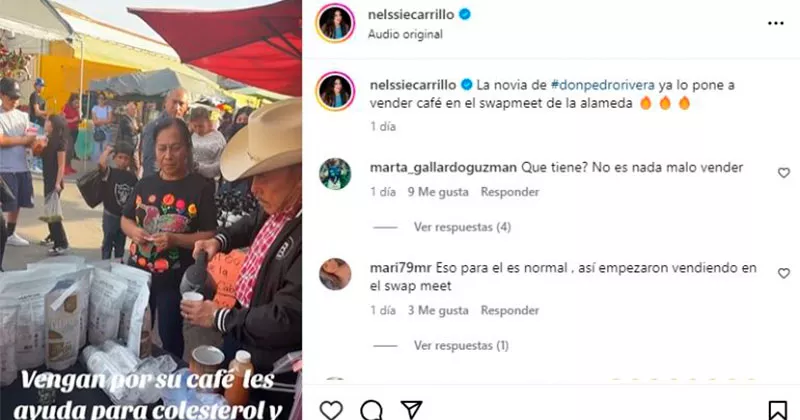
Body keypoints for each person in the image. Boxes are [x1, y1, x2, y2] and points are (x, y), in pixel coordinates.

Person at [182, 99, 301, 418]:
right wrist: (218, 240)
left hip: (274, 363)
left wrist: (219, 317)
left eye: (265, 176)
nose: (254, 188)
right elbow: (251, 223)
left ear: (302, 173)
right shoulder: (284, 204)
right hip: (245, 329)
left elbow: (285, 318)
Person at [121, 117, 217, 358]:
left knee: (170, 334)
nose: (168, 156)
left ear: (187, 148)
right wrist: (134, 232)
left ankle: (170, 375)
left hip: (173, 279)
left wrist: (175, 240)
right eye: (162, 148)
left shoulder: (201, 187)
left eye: (175, 148)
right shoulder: (145, 184)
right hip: (139, 273)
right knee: (135, 329)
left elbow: (210, 234)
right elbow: (125, 219)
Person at [0, 77, 37, 247]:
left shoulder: (23, 116)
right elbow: (2, 140)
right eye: (11, 97)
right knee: (5, 203)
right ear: (2, 95)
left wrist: (35, 143)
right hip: (4, 167)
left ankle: (10, 233)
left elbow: (30, 136)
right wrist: (23, 140)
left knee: (17, 203)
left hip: (22, 166)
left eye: (17, 97)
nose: (15, 101)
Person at [98, 143, 137, 261]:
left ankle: (118, 264)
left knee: (120, 244)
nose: (123, 161)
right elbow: (101, 164)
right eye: (120, 157)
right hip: (110, 215)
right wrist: (107, 151)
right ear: (114, 158)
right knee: (107, 242)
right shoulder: (110, 172)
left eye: (126, 158)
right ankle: (104, 264)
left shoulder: (132, 177)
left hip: (123, 217)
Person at [141, 88, 189, 178]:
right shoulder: (154, 127)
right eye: (174, 102)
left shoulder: (186, 128)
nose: (177, 107)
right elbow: (150, 162)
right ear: (166, 102)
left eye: (181, 104)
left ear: (186, 107)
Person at [40, 114, 69, 255]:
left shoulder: (60, 142)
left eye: (47, 121)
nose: (45, 123)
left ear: (53, 125)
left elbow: (61, 165)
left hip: (54, 181)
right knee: (49, 211)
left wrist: (58, 183)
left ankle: (62, 242)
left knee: (53, 214)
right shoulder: (47, 139)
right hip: (47, 179)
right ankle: (53, 236)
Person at [188, 107, 226, 180]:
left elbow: (221, 163)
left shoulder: (218, 138)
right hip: (190, 177)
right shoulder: (191, 135)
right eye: (195, 126)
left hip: (209, 179)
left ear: (208, 122)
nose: (198, 130)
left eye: (201, 126)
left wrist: (200, 168)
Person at [27, 78, 47, 174]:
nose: (42, 87)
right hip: (34, 123)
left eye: (43, 86)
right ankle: (33, 165)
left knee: (40, 145)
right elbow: (37, 112)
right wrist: (47, 112)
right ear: (35, 86)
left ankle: (38, 165)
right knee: (35, 145)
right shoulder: (34, 95)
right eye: (40, 85)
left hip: (40, 124)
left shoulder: (42, 98)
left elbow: (41, 114)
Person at [118, 102, 141, 173]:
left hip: (134, 149)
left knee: (135, 168)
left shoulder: (134, 120)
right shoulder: (124, 120)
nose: (135, 111)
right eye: (133, 109)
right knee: (131, 169)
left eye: (135, 109)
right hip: (128, 149)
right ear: (128, 110)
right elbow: (132, 131)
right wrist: (140, 128)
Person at [61, 93, 80, 175]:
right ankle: (64, 167)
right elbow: (63, 119)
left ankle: (69, 166)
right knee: (68, 149)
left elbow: (77, 118)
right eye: (75, 102)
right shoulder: (66, 107)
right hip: (67, 130)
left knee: (71, 150)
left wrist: (78, 120)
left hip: (75, 130)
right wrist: (73, 120)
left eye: (78, 102)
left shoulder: (76, 109)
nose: (77, 104)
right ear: (71, 101)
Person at [91, 92, 113, 162]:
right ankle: (97, 163)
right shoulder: (95, 108)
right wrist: (104, 120)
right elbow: (95, 121)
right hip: (97, 130)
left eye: (102, 98)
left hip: (107, 131)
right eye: (99, 98)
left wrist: (99, 120)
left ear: (105, 100)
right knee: (96, 150)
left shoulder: (109, 108)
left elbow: (110, 120)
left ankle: (103, 163)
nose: (101, 100)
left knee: (104, 149)